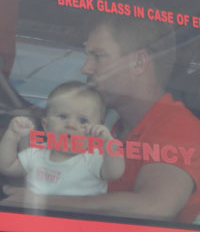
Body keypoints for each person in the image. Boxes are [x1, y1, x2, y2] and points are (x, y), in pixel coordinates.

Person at [1, 14, 200, 223]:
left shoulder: (179, 127)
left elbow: (154, 207)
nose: (86, 68)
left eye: (98, 56)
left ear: (139, 62)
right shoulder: (112, 126)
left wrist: (42, 201)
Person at [0, 81, 125, 196]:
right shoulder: (37, 153)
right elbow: (7, 166)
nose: (71, 125)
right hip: (37, 216)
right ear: (46, 126)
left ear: (96, 130)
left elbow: (114, 173)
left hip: (79, 219)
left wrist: (108, 142)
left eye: (82, 120)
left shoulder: (93, 158)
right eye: (63, 116)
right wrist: (12, 135)